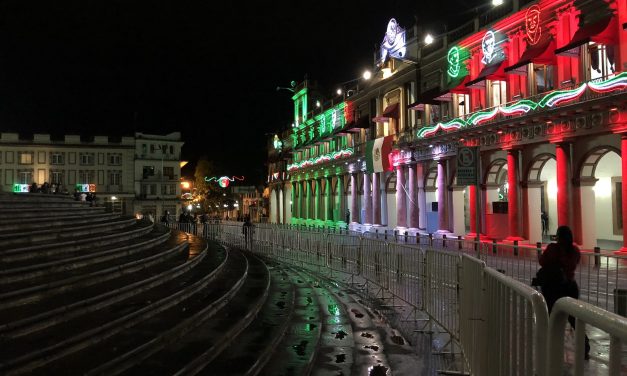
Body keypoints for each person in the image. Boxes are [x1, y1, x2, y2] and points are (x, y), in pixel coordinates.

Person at [538, 225, 590, 359]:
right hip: (570, 287)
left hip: (553, 288)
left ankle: (553, 346)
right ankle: (584, 345)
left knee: (552, 317)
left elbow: (543, 261)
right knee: (573, 318)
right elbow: (572, 264)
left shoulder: (553, 248)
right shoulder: (574, 251)